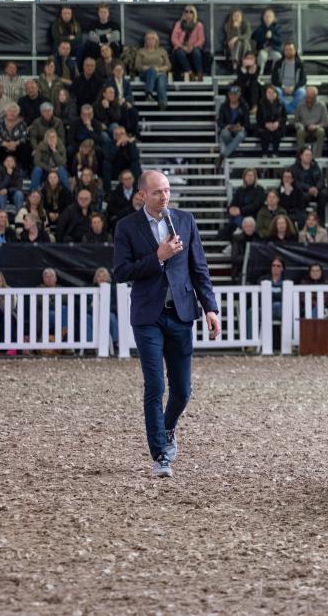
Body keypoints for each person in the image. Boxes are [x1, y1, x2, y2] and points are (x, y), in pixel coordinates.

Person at [112, 170, 221, 478]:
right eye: (158, 192)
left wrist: (210, 308)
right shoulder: (126, 226)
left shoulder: (185, 220)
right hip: (148, 316)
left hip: (181, 313)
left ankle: (168, 426)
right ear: (142, 195)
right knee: (155, 386)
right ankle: (160, 455)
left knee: (182, 391)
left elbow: (199, 268)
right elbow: (121, 272)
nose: (165, 196)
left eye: (167, 190)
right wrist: (157, 257)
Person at [134, 32, 171, 109]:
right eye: (148, 39)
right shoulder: (141, 51)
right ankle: (149, 93)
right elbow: (137, 66)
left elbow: (168, 65)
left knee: (161, 83)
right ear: (145, 40)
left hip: (160, 73)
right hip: (145, 74)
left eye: (153, 39)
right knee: (152, 71)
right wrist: (151, 69)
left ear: (156, 40)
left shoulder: (162, 51)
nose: (151, 41)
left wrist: (158, 69)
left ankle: (162, 103)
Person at [223, 168, 265, 237]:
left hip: (253, 216)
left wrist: (240, 210)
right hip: (241, 215)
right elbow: (234, 202)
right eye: (248, 175)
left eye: (252, 176)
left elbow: (255, 206)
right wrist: (230, 209)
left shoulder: (260, 190)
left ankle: (238, 232)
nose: (250, 178)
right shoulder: (240, 190)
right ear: (244, 177)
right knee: (229, 225)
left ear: (255, 178)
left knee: (236, 224)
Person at [270, 42, 306, 112]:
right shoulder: (278, 63)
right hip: (281, 87)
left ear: (295, 51)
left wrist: (293, 87)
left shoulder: (300, 64)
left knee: (302, 93)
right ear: (284, 51)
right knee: (275, 92)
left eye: (290, 49)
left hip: (295, 88)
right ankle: (291, 110)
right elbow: (274, 79)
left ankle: (287, 109)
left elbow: (303, 80)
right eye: (287, 50)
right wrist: (283, 87)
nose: (288, 52)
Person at [293, 86, 328, 155]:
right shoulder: (300, 105)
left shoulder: (321, 105)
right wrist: (301, 126)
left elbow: (325, 122)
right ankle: (301, 155)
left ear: (315, 96)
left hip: (316, 128)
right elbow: (296, 121)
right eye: (307, 96)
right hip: (304, 128)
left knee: (321, 132)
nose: (309, 98)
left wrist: (316, 126)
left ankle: (318, 156)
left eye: (311, 96)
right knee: (300, 132)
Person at [254, 85, 286, 156]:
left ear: (276, 94)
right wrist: (266, 124)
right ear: (266, 94)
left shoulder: (281, 103)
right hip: (264, 126)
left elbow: (284, 117)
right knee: (265, 134)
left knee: (277, 133)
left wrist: (278, 123)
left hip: (277, 126)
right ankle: (264, 153)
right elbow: (258, 118)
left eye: (273, 92)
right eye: (269, 92)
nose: (271, 94)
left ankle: (275, 153)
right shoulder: (261, 103)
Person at [221, 8, 251, 72]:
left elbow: (247, 36)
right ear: (232, 17)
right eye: (235, 16)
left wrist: (236, 38)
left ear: (241, 17)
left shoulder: (246, 24)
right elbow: (230, 38)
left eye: (238, 16)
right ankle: (238, 63)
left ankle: (237, 62)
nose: (236, 18)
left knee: (244, 42)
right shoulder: (227, 26)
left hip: (244, 46)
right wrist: (236, 28)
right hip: (231, 46)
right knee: (238, 43)